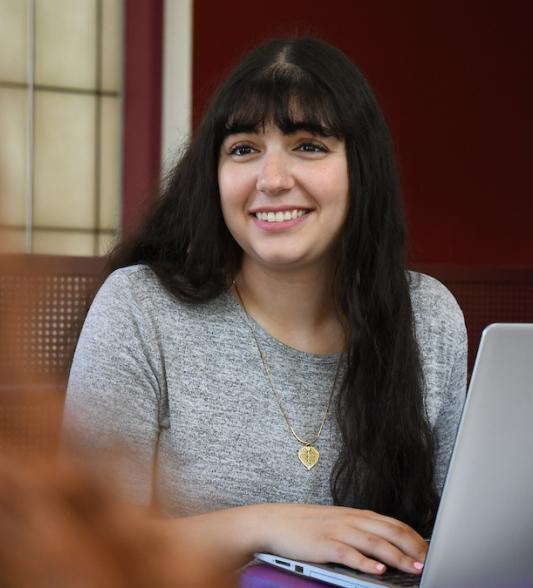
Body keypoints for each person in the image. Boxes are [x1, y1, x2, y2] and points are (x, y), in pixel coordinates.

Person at [63, 36, 467, 578]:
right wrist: (263, 525)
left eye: (308, 146)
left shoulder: (429, 319)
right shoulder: (140, 308)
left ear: (362, 171)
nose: (272, 181)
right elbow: (81, 549)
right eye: (244, 148)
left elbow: (467, 530)